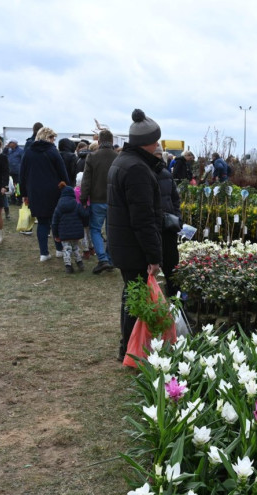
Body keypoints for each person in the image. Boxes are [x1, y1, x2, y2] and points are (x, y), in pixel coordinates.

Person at [107, 108, 163, 362]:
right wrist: (153, 256)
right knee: (135, 299)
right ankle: (131, 350)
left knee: (131, 296)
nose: (158, 144)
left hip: (123, 244)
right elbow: (143, 218)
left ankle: (129, 347)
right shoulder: (137, 169)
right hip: (134, 247)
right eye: (156, 140)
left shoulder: (122, 162)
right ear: (147, 142)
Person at [20, 126, 69, 262]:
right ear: (48, 137)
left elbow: (22, 174)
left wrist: (24, 193)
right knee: (56, 221)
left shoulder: (29, 152)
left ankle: (44, 253)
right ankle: (59, 249)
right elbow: (62, 172)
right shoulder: (53, 151)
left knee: (42, 222)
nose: (54, 141)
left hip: (34, 191)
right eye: (53, 137)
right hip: (54, 191)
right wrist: (67, 188)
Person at [81, 129, 118, 274]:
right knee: (111, 231)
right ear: (112, 141)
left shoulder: (92, 157)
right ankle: (109, 258)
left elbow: (86, 181)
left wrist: (84, 198)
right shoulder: (118, 157)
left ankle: (102, 259)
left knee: (95, 229)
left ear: (99, 141)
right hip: (114, 201)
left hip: (97, 199)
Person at [155, 144, 181, 297]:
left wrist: (177, 217)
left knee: (172, 267)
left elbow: (175, 199)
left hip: (168, 226)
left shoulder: (166, 174)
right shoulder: (143, 174)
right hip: (152, 227)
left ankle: (177, 303)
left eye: (158, 156)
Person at [51, 183, 88, 273]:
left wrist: (56, 235)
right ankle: (79, 262)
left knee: (66, 248)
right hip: (76, 232)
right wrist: (84, 224)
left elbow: (54, 223)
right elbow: (84, 215)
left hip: (64, 233)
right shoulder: (77, 204)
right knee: (75, 247)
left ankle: (68, 266)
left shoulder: (58, 207)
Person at [5, 138, 24, 206]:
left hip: (17, 172)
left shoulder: (20, 151)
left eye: (10, 143)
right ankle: (12, 199)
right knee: (11, 186)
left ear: (14, 143)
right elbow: (4, 155)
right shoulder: (9, 151)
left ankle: (19, 200)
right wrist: (6, 148)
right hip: (10, 171)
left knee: (17, 187)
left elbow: (23, 161)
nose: (9, 144)